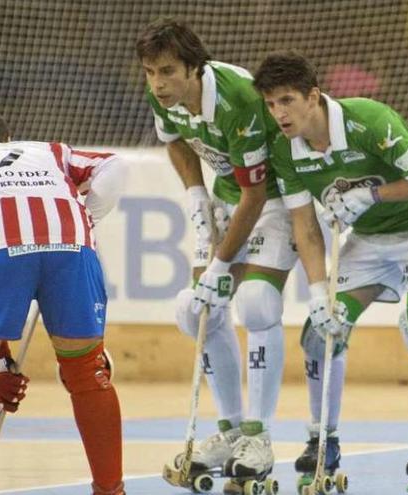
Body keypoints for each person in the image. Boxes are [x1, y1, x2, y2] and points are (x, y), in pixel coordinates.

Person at [253, 50, 408, 486]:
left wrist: (373, 196)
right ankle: (324, 438)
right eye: (270, 104)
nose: (278, 113)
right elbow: (305, 226)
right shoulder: (286, 151)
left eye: (286, 100)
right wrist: (317, 290)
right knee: (320, 330)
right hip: (371, 240)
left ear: (313, 97)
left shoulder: (369, 121)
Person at [0, 109, 128, 495]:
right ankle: (111, 490)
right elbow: (116, 167)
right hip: (73, 246)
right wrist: (85, 219)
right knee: (88, 372)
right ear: (8, 137)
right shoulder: (49, 150)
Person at [135, 18, 298, 483]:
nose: (158, 83)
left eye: (167, 71)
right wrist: (194, 195)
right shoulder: (161, 96)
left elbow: (256, 193)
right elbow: (178, 145)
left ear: (193, 67)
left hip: (279, 199)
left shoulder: (238, 99)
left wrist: (220, 262)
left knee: (257, 302)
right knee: (195, 309)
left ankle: (259, 437)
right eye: (149, 72)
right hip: (230, 197)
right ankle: (229, 431)